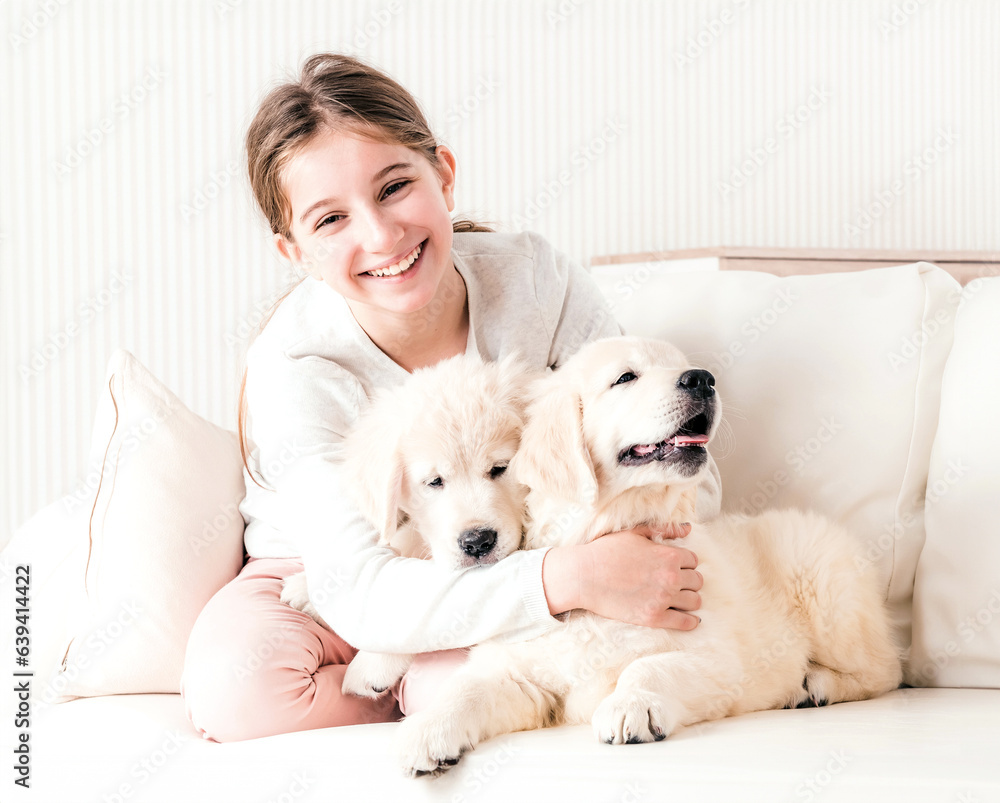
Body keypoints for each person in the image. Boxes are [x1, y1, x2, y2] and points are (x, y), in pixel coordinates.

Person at [181, 52, 721, 742]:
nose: (380, 236)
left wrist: (585, 561)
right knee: (237, 686)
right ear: (293, 252)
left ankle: (422, 682)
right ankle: (410, 675)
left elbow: (675, 470)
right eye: (330, 220)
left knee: (468, 692)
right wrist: (564, 581)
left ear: (444, 173)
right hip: (322, 570)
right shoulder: (294, 364)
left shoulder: (537, 282)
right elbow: (353, 583)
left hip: (518, 542)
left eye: (394, 187)